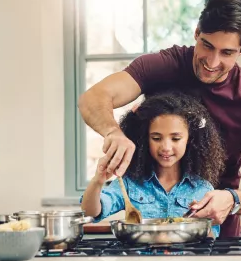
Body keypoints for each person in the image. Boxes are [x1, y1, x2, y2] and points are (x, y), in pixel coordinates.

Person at [77, 0, 241, 237]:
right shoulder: (161, 66)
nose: (212, 61)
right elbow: (92, 98)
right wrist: (113, 132)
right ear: (197, 32)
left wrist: (233, 200)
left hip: (219, 236)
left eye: (227, 53)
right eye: (207, 45)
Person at [81, 90, 225, 238]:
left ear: (190, 140)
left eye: (175, 139)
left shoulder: (203, 189)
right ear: (144, 139)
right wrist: (98, 181)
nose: (166, 147)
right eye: (156, 138)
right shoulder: (129, 183)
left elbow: (211, 239)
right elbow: (90, 212)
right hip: (140, 260)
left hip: (186, 260)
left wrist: (199, 224)